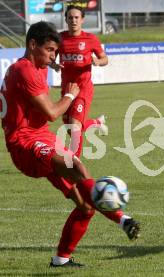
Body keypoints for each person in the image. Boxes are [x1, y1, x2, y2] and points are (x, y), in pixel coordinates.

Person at [0, 21, 140, 268]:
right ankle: (122, 217)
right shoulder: (25, 70)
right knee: (75, 167)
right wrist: (70, 94)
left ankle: (62, 258)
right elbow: (52, 113)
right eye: (50, 50)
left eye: (56, 51)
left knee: (85, 206)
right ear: (33, 45)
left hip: (40, 137)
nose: (54, 56)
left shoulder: (33, 66)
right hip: (25, 144)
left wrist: (51, 63)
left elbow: (34, 94)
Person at [52, 5, 109, 158]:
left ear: (82, 20)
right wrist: (53, 64)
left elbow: (105, 59)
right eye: (70, 17)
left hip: (83, 88)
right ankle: (96, 123)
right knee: (71, 128)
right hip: (67, 89)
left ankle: (73, 163)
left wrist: (97, 61)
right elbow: (50, 57)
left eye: (76, 17)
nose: (73, 20)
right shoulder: (60, 38)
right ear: (66, 20)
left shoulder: (90, 39)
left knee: (75, 128)